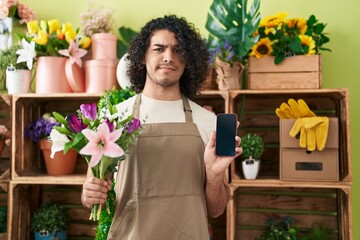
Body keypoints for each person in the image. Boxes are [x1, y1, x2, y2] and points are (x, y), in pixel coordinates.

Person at [81, 15, 242, 239]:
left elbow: (216, 209)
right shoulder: (115, 118)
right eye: (159, 48)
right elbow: (92, 189)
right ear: (142, 56)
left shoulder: (208, 122)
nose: (169, 57)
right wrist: (89, 193)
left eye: (178, 51)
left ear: (188, 61)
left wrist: (214, 177)